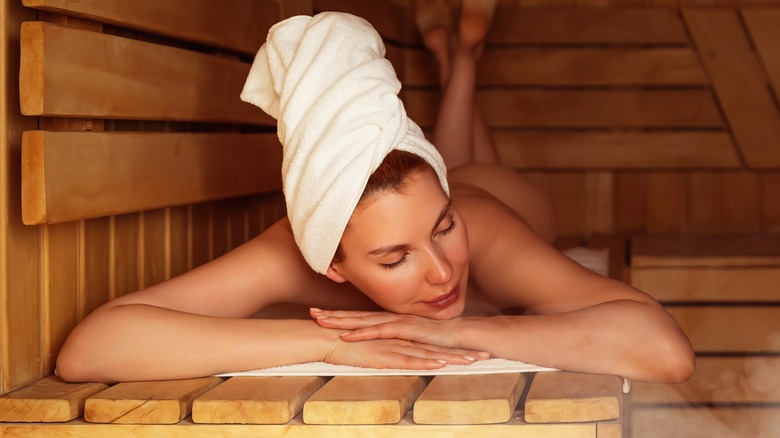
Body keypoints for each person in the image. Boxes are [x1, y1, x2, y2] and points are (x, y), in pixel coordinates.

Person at [55, 2, 694, 385]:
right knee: (455, 171)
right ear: (330, 263)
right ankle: (459, 55)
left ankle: (459, 63)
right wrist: (329, 342)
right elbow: (92, 348)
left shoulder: (486, 233)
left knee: (470, 176)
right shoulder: (295, 249)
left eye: (443, 229)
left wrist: (457, 331)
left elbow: (662, 349)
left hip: (506, 200)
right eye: (394, 260)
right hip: (447, 183)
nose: (443, 272)